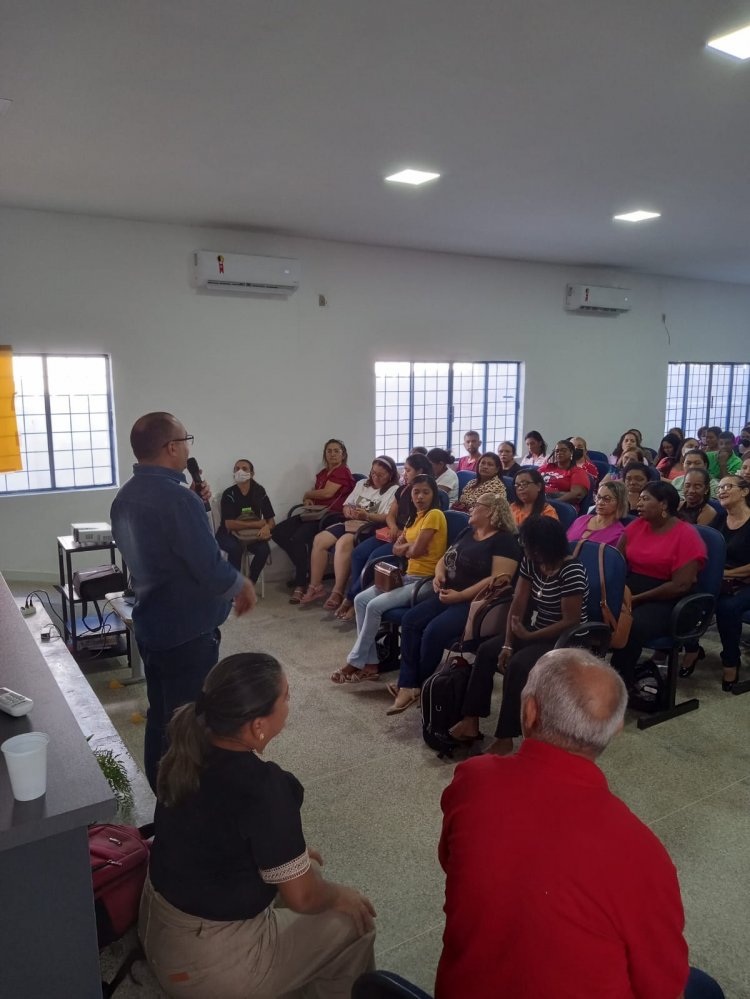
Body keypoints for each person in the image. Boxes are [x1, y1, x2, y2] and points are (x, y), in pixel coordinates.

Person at [437, 649, 724, 999]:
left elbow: (453, 863)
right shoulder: (642, 854)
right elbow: (662, 988)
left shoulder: (472, 780)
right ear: (615, 728)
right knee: (704, 988)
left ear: (529, 712)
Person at [140, 653, 376, 998]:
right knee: (353, 921)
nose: (289, 704)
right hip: (202, 965)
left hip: (160, 928)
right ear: (258, 725)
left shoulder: (188, 747)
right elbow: (304, 897)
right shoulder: (264, 788)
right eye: (286, 697)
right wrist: (342, 894)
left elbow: (215, 832)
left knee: (303, 868)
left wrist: (288, 857)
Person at [110, 412, 256, 791]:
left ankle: (160, 792)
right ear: (172, 447)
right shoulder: (176, 501)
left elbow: (163, 549)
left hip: (151, 622)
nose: (188, 446)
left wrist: (193, 504)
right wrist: (241, 584)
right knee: (190, 722)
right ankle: (184, 804)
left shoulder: (125, 496)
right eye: (186, 439)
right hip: (188, 630)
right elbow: (207, 565)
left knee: (161, 714)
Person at [449, 517, 588, 751]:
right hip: (533, 629)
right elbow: (519, 602)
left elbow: (570, 621)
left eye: (531, 546)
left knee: (519, 665)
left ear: (547, 545)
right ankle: (470, 720)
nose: (526, 550)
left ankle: (506, 736)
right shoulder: (532, 562)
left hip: (565, 638)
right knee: (486, 652)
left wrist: (529, 637)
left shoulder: (572, 570)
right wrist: (507, 643)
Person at [386, 492, 521, 713]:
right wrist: (439, 574)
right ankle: (408, 684)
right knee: (410, 620)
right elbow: (446, 557)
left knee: (432, 631)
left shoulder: (504, 541)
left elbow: (499, 579)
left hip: (475, 603)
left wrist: (462, 595)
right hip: (449, 593)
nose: (471, 508)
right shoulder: (469, 531)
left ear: (490, 511)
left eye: (476, 505)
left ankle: (417, 683)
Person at [331, 475, 447, 683]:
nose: (420, 497)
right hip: (408, 576)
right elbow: (397, 549)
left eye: (425, 492)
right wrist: (405, 549)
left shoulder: (435, 515)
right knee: (361, 599)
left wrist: (406, 548)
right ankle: (372, 662)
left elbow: (416, 551)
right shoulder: (414, 518)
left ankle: (355, 661)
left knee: (374, 606)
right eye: (416, 492)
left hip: (426, 582)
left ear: (434, 494)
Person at [611, 481, 706, 694]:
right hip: (634, 589)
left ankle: (618, 687)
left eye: (646, 499)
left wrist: (637, 599)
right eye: (640, 499)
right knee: (596, 610)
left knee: (631, 625)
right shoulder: (636, 525)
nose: (639, 503)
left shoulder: (687, 535)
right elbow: (617, 562)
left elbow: (681, 584)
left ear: (663, 504)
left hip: (671, 599)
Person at [336, 453, 433, 622]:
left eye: (408, 470)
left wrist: (403, 533)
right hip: (392, 532)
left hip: (408, 538)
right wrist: (394, 526)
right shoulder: (403, 490)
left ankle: (351, 599)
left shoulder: (429, 493)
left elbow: (423, 524)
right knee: (359, 552)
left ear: (420, 471)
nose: (405, 474)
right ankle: (355, 596)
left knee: (374, 559)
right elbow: (390, 515)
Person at [299, 456, 399, 608]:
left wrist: (367, 515)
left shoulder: (394, 490)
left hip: (370, 526)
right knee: (320, 539)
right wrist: (348, 511)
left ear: (390, 475)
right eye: (373, 473)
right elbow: (347, 505)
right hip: (352, 523)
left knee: (343, 542)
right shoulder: (362, 483)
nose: (375, 478)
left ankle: (338, 591)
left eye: (380, 475)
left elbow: (387, 517)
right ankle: (315, 586)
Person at [271, 439, 355, 604]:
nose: (332, 454)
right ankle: (305, 570)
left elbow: (326, 494)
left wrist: (308, 494)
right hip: (314, 513)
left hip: (330, 516)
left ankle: (301, 583)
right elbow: (318, 495)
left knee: (298, 539)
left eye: (336, 451)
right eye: (329, 451)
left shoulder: (343, 471)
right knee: (278, 532)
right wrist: (308, 499)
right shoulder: (323, 473)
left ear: (343, 454)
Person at [713, 475, 750, 690]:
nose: (721, 491)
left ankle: (730, 661)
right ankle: (689, 649)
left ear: (744, 492)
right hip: (721, 579)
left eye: (728, 486)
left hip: (745, 582)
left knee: (727, 607)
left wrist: (729, 574)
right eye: (719, 488)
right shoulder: (719, 519)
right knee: (689, 593)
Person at [215, 458, 275, 583]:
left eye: (244, 468)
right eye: (237, 469)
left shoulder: (259, 491)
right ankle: (233, 588)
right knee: (235, 549)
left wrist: (266, 528)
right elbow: (229, 524)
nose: (240, 471)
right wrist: (258, 524)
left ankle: (248, 584)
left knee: (264, 549)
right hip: (227, 533)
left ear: (252, 473)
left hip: (251, 534)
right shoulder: (229, 493)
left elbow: (271, 521)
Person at [567, 480, 629, 546]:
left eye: (607, 499)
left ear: (620, 503)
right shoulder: (581, 519)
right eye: (598, 497)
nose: (600, 502)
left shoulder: (618, 534)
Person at [538, 439, 590, 511]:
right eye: (557, 451)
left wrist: (552, 503)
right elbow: (532, 481)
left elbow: (576, 495)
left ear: (571, 452)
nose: (559, 453)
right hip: (539, 500)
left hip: (561, 506)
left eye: (563, 450)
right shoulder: (546, 467)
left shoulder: (577, 471)